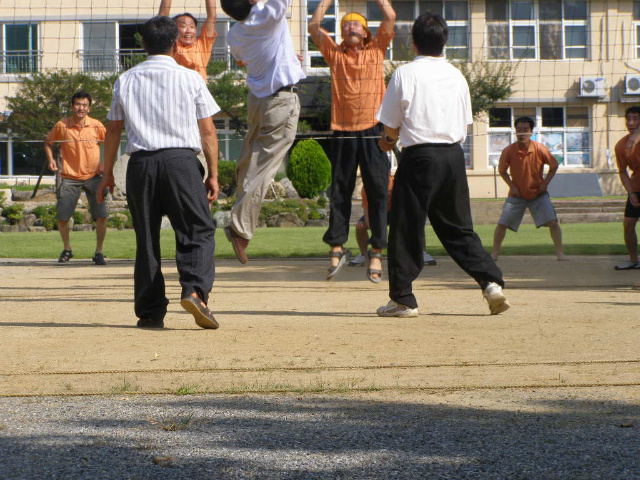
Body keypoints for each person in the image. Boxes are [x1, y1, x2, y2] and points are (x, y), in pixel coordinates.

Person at [375, 12, 509, 317]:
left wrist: (385, 142)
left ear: (413, 43)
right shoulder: (457, 75)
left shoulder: (405, 74)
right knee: (459, 229)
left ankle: (403, 300)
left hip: (420, 158)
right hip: (452, 157)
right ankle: (490, 283)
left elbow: (391, 129)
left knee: (406, 228)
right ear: (444, 42)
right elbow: (464, 122)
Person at [97, 16, 221, 330]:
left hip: (141, 165)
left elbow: (113, 130)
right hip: (180, 162)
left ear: (142, 44)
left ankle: (151, 313)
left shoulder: (125, 79)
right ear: (176, 42)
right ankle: (194, 291)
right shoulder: (191, 77)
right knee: (198, 230)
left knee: (147, 240)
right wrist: (214, 174)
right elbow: (208, 132)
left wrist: (107, 173)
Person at [308, 0, 395, 281]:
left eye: (355, 23)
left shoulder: (376, 50)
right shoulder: (336, 55)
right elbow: (313, 26)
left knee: (378, 191)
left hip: (373, 131)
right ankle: (337, 247)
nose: (350, 26)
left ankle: (378, 252)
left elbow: (391, 16)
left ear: (366, 31)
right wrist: (324, 2)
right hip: (343, 130)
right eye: (345, 25)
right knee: (340, 191)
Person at [221, 0, 305, 264]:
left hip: (258, 100)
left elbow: (242, 59)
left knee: (250, 160)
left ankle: (238, 215)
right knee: (264, 168)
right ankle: (240, 228)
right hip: (280, 100)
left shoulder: (234, 33)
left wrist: (284, 57)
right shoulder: (268, 14)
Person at [491, 116, 568, 262]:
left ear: (531, 132)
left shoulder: (539, 148)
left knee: (553, 222)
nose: (522, 133)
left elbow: (554, 165)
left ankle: (560, 253)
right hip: (517, 194)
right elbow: (502, 171)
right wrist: (512, 186)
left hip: (538, 193)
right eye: (519, 130)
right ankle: (494, 254)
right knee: (502, 223)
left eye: (525, 130)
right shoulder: (508, 150)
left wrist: (545, 183)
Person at [44, 92, 107, 265]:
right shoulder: (62, 126)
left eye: (85, 105)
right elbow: (48, 143)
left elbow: (110, 144)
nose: (81, 108)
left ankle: (99, 252)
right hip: (69, 176)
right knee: (62, 217)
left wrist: (105, 165)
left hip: (94, 176)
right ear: (72, 106)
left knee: (101, 216)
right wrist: (51, 160)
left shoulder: (96, 125)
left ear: (89, 108)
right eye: (78, 104)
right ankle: (67, 248)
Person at [350, 174, 437, 269]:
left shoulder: (398, 183)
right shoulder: (367, 188)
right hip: (378, 212)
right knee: (360, 226)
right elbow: (367, 213)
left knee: (415, 223)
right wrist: (377, 234)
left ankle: (421, 253)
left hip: (397, 210)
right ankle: (364, 255)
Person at [158, 0, 217, 81]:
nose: (188, 30)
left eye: (192, 27)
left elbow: (212, 16)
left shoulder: (202, 45)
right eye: (183, 26)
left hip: (197, 91)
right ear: (174, 29)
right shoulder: (171, 45)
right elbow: (162, 19)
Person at [613, 106, 640, 270]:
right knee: (628, 224)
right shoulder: (621, 145)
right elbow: (622, 172)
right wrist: (631, 193)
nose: (631, 122)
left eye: (636, 118)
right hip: (637, 187)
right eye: (628, 119)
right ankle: (633, 260)